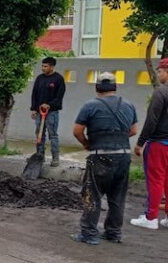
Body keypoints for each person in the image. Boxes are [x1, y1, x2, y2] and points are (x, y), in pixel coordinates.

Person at [71, 72, 137, 244]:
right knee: (117, 197)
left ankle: (89, 234)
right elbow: (134, 130)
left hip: (100, 156)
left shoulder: (90, 106)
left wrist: (87, 144)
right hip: (123, 156)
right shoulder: (128, 105)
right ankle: (114, 233)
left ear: (97, 87)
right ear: (115, 87)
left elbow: (77, 131)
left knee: (92, 194)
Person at [130, 58, 168, 229]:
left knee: (155, 180)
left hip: (158, 143)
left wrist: (140, 143)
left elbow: (151, 120)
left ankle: (151, 217)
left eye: (160, 71)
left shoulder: (161, 92)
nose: (158, 73)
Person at [31, 56, 66, 166]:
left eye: (45, 66)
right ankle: (40, 156)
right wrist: (33, 109)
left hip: (52, 113)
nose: (43, 68)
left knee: (53, 135)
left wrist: (49, 105)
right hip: (39, 112)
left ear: (52, 66)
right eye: (42, 66)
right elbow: (34, 94)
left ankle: (55, 158)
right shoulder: (39, 78)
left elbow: (59, 96)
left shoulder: (58, 79)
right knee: (39, 134)